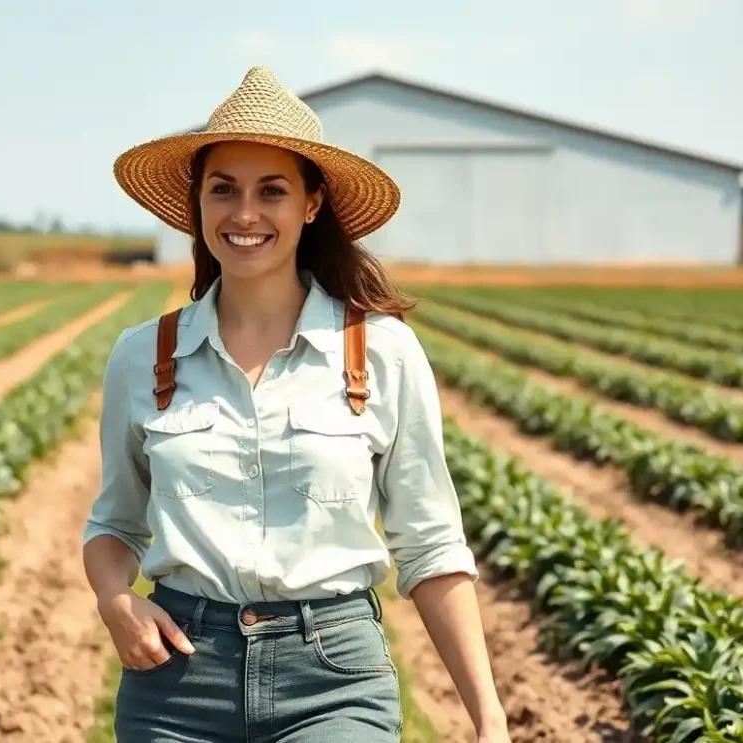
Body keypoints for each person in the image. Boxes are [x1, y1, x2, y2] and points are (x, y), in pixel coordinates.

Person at [81, 65, 510, 742]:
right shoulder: (145, 355)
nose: (244, 214)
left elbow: (429, 543)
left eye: (271, 191)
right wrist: (114, 600)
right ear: (198, 204)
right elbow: (114, 522)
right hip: (179, 684)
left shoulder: (382, 351)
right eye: (223, 190)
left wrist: (490, 718)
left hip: (333, 679)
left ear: (311, 204)